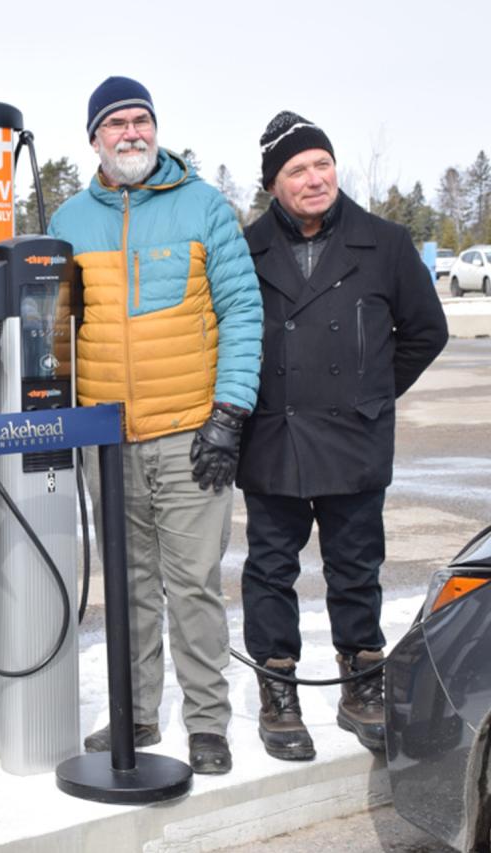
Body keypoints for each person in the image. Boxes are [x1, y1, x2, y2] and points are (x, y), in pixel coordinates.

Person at [47, 76, 263, 775]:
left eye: (142, 120)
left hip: (189, 431)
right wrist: (60, 415)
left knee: (193, 581)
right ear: (95, 139)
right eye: (117, 124)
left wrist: (228, 413)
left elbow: (242, 312)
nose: (132, 133)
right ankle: (136, 709)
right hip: (106, 438)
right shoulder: (71, 220)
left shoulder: (204, 207)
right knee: (128, 583)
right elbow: (55, 330)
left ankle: (206, 720)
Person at [238, 112, 448, 760]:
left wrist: (370, 393)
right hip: (273, 435)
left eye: (322, 164)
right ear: (275, 183)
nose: (314, 178)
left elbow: (426, 331)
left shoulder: (383, 242)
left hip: (355, 439)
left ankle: (362, 686)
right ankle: (279, 692)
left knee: (356, 567)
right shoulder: (245, 250)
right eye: (297, 169)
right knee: (271, 570)